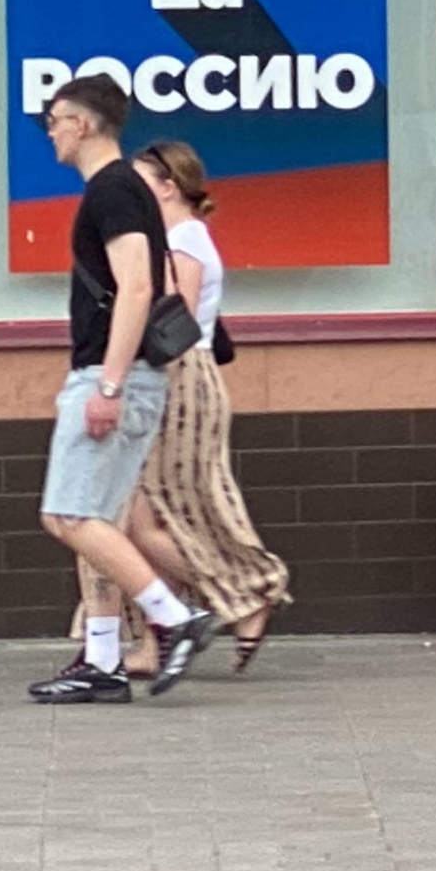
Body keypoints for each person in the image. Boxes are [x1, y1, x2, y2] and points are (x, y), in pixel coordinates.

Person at [27, 72, 217, 703]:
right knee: (100, 519)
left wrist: (107, 384)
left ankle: (174, 618)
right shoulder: (126, 190)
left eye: (55, 121)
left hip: (114, 376)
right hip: (133, 376)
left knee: (68, 514)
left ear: (81, 124)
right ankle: (103, 661)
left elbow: (139, 287)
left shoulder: (111, 191)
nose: (50, 133)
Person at [129, 139, 290, 670]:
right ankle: (159, 637)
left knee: (142, 518)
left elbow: (173, 317)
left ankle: (242, 595)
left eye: (142, 183)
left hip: (177, 381)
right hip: (174, 379)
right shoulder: (179, 237)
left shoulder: (183, 239)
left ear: (168, 187)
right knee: (147, 517)